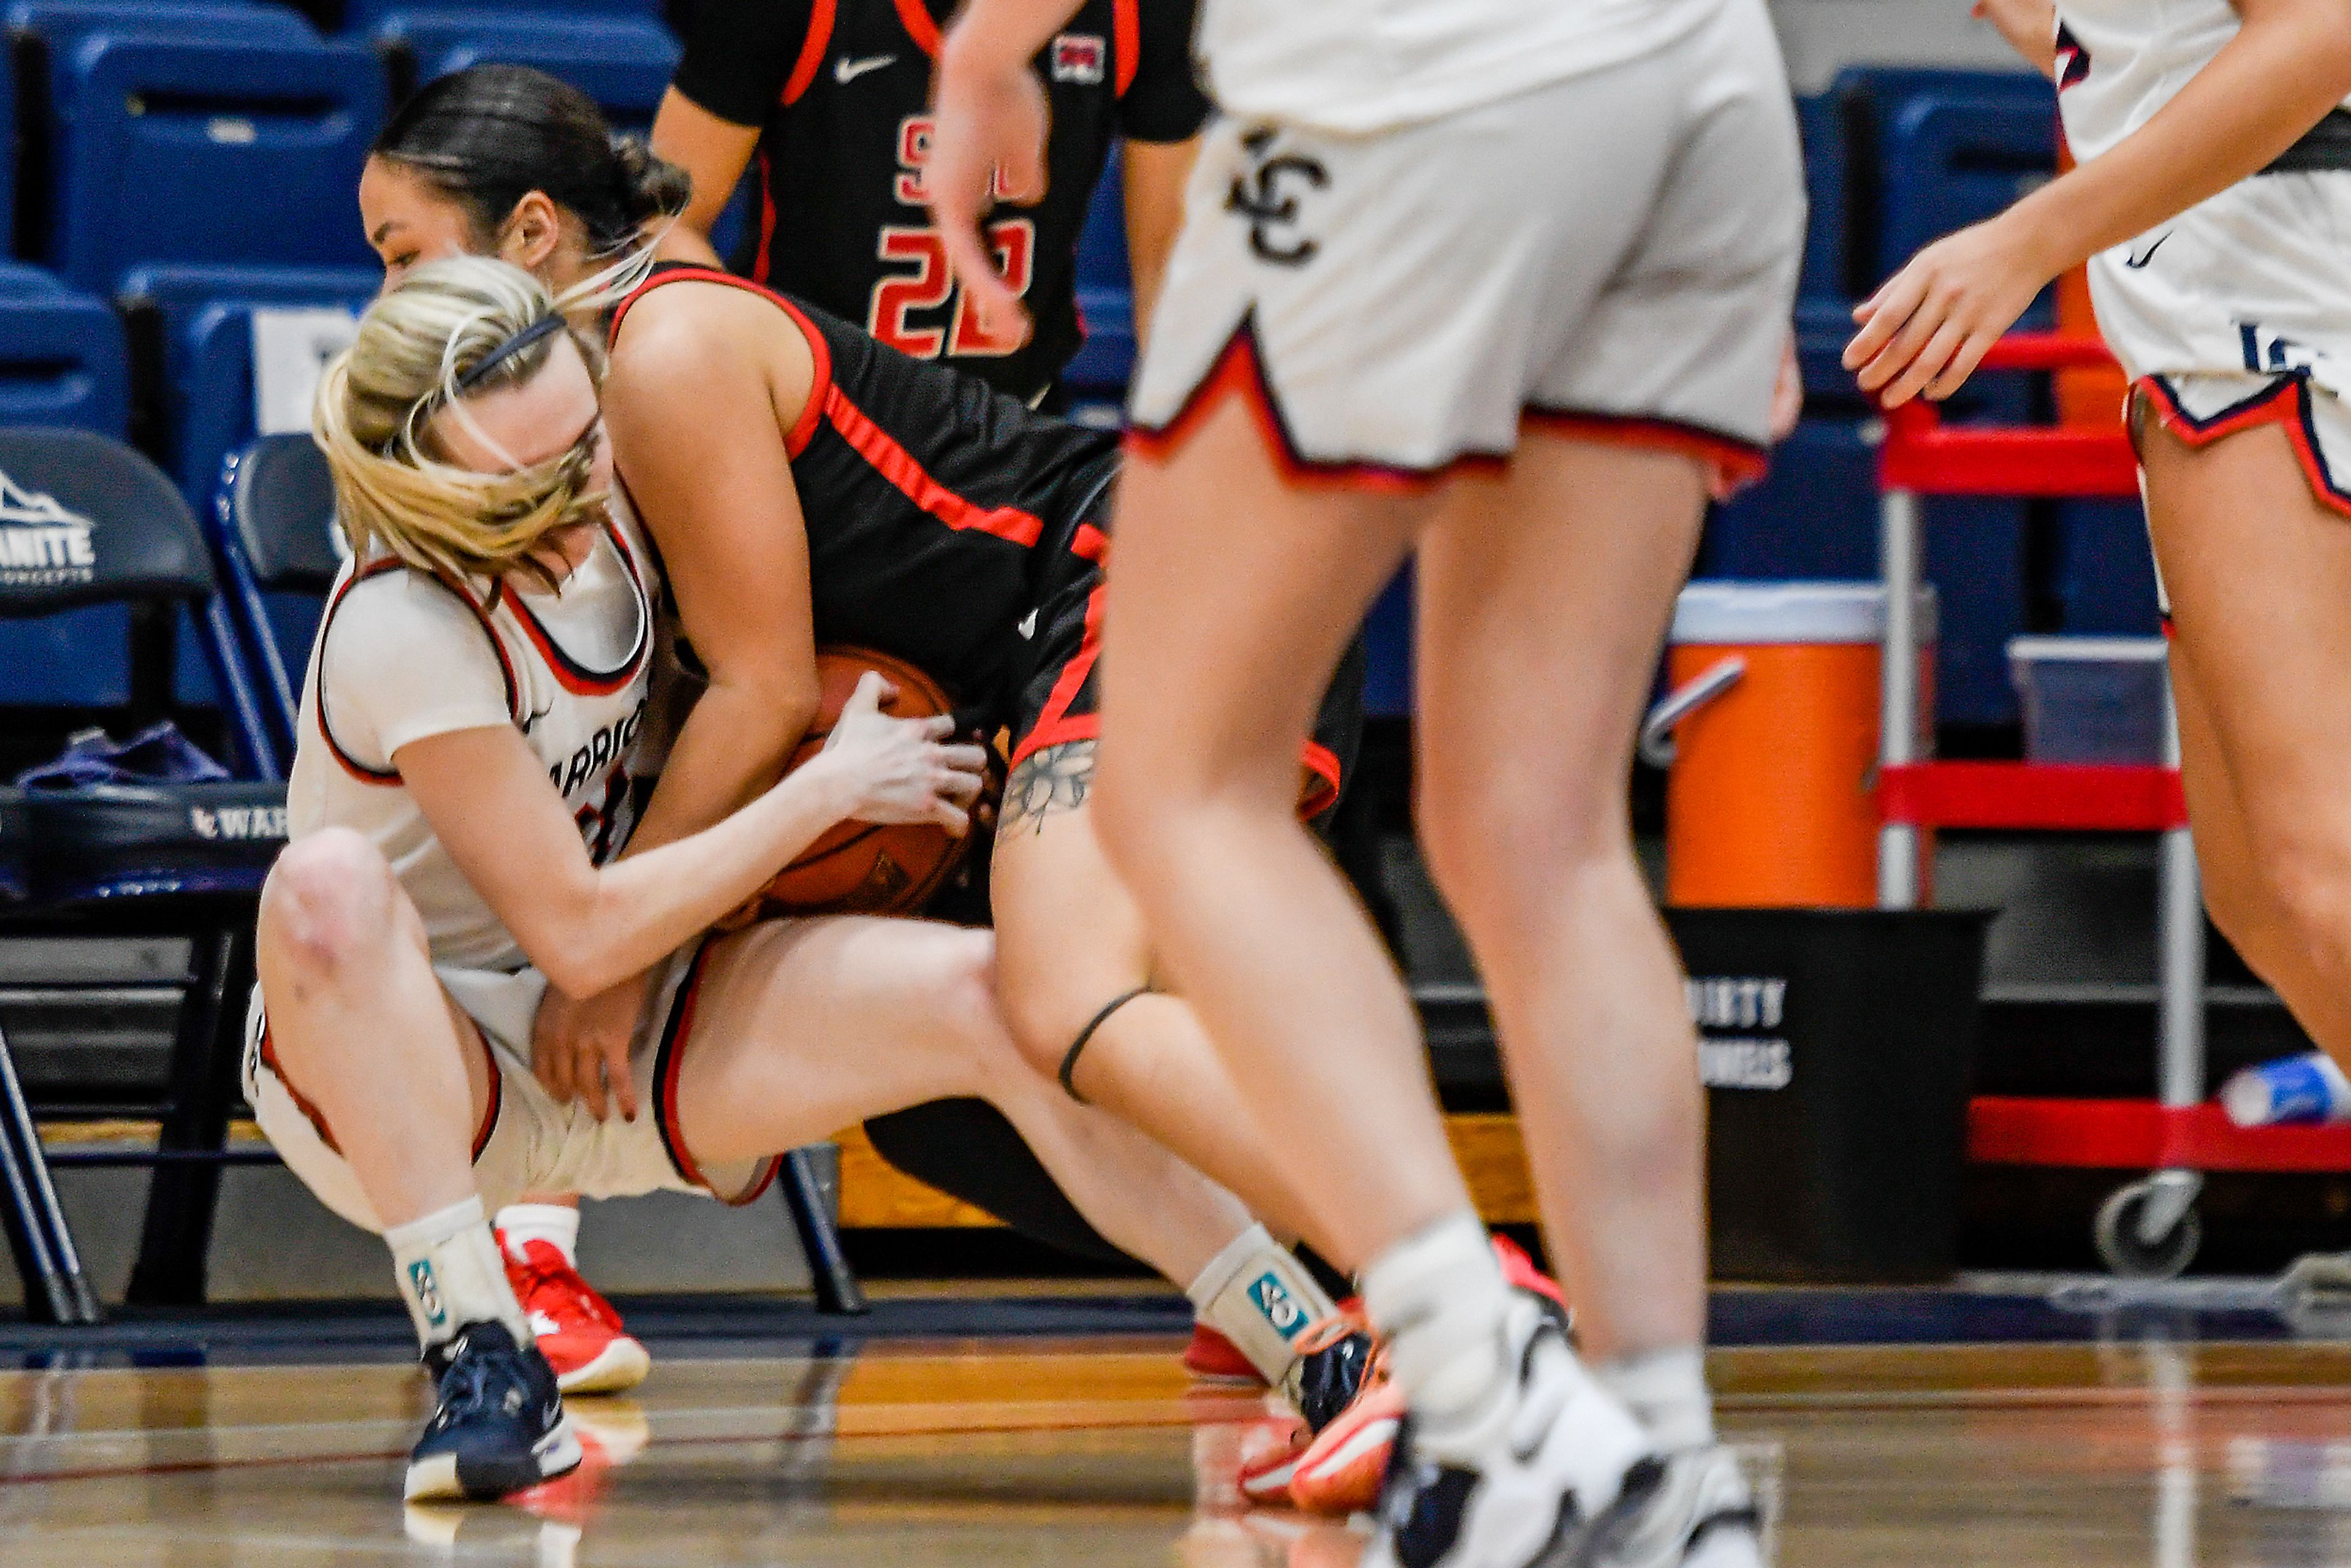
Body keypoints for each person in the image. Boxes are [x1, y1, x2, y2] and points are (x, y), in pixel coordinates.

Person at [359, 59, 1421, 1412]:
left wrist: (624, 954)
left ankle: (1454, 1294)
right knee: (939, 1088)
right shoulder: (566, 395)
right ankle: (1308, 1296)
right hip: (1021, 669)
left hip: (1146, 574)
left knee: (1067, 991)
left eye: (402, 254)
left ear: (530, 234)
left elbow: (763, 691)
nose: (386, 298)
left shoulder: (665, 349)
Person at [926, 0, 1804, 1562]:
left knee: (1179, 790)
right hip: (1700, 89)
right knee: (1536, 830)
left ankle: (1482, 1374)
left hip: (1422, 80)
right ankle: (1652, 1452)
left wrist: (992, 43)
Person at [266, 255, 1344, 1501]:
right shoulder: (404, 626)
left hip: (621, 1042)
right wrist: (829, 790)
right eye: (532, 486)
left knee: (1008, 991)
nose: (583, 493)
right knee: (327, 885)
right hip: (414, 1072)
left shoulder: (611, 508)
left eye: (586, 444)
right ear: (438, 491)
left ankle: (1315, 1337)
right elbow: (575, 930)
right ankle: (484, 1357)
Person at [1852, 3, 2351, 1214]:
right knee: (2255, 878)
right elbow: (2147, 52)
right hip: (2211, 303)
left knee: (2316, 863)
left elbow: (2322, 31)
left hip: (2283, 286)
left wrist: (2029, 240)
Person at [650, 0, 1205, 404]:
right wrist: (747, 388)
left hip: (1018, 421)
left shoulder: (1146, 14)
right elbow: (660, 224)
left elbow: (1171, 277)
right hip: (814, 427)